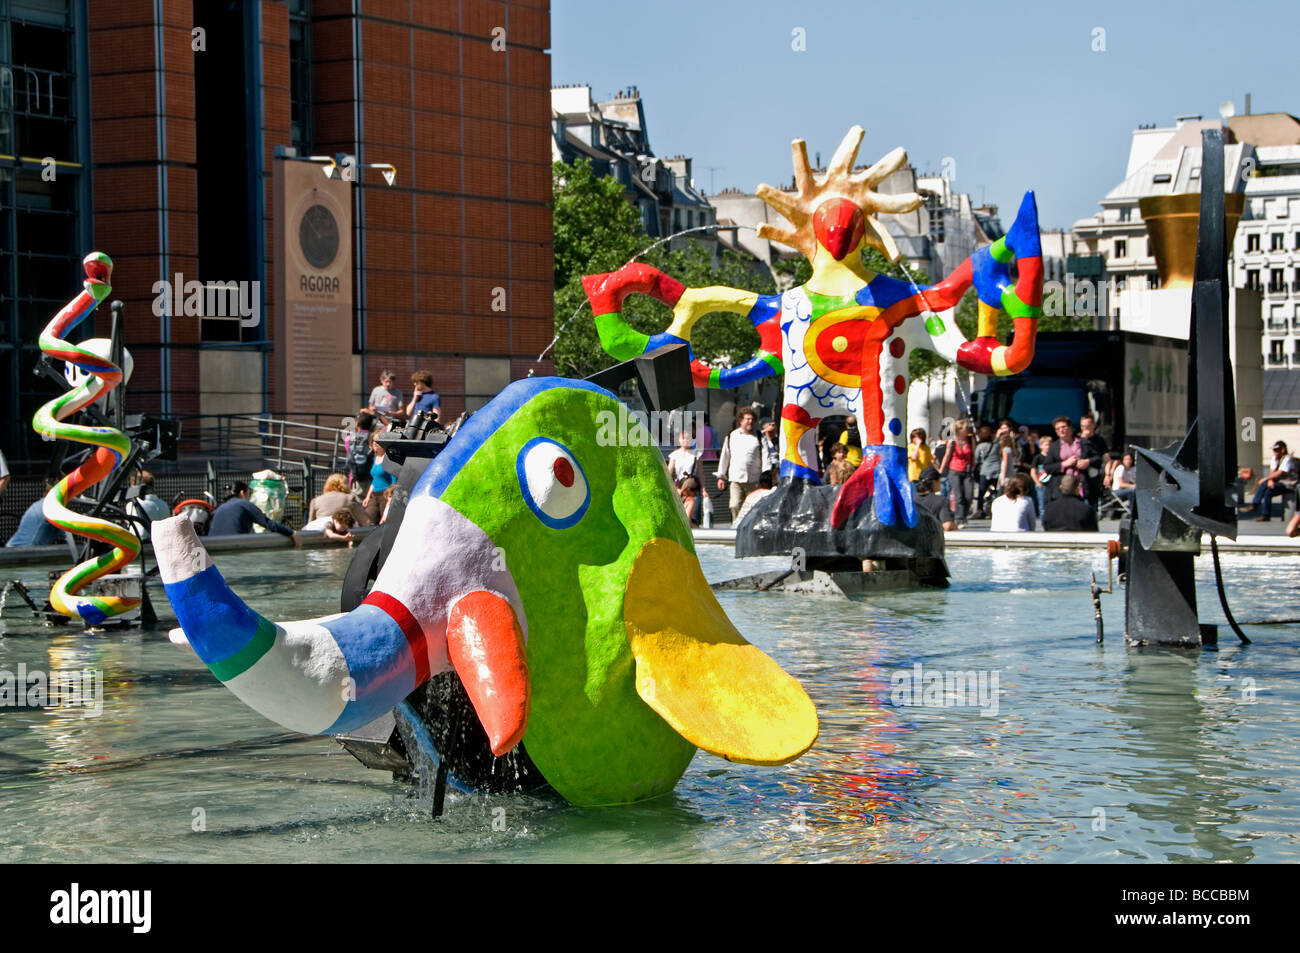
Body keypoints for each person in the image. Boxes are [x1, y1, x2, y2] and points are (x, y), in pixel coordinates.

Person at [209, 480, 301, 544]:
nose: (250, 498)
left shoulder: (219, 508)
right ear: (242, 493)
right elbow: (268, 523)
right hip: (234, 546)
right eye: (249, 494)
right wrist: (291, 533)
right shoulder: (244, 504)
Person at [716, 408, 764, 523]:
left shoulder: (759, 436)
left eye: (752, 419)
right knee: (734, 504)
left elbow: (766, 455)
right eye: (747, 419)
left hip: (754, 479)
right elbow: (725, 456)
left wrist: (766, 474)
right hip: (736, 478)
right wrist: (721, 476)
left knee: (753, 507)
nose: (750, 421)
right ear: (741, 420)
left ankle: (749, 528)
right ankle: (736, 527)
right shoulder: (731, 436)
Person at [1239, 441, 1300, 521]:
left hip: (1290, 485)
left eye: (1276, 450)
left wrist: (1266, 479)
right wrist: (1270, 480)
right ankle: (1265, 515)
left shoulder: (1288, 459)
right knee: (1268, 492)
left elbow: (1279, 473)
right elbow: (1272, 471)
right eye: (1274, 450)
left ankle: (1254, 504)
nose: (1274, 452)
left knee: (1264, 483)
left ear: (1283, 450)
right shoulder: (1275, 458)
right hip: (1280, 483)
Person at [938, 419, 974, 527]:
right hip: (955, 470)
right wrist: (941, 469)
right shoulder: (952, 441)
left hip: (967, 470)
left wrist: (973, 465)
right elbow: (947, 455)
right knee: (959, 495)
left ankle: (964, 514)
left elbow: (973, 454)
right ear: (959, 430)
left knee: (969, 495)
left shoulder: (970, 440)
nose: (968, 430)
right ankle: (959, 519)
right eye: (966, 428)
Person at [1042, 415, 1086, 503]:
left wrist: (1087, 462)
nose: (1061, 430)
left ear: (1070, 428)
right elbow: (1047, 467)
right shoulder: (1054, 447)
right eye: (1057, 429)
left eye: (1063, 427)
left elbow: (1096, 457)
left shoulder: (1083, 442)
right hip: (1061, 487)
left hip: (1082, 485)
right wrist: (1064, 464)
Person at [4, 481, 62, 547]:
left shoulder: (36, 505)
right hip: (28, 552)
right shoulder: (54, 508)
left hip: (11, 548)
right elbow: (69, 536)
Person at [1078, 413, 1109, 514]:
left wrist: (1108, 475)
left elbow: (1106, 458)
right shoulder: (1077, 440)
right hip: (1080, 476)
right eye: (1083, 426)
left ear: (1093, 425)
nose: (1085, 428)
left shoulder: (1099, 440)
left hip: (1094, 476)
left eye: (1087, 425)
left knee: (1093, 504)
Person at [666, 431, 700, 522]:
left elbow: (701, 473)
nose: (686, 440)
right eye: (683, 438)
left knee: (692, 517)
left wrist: (704, 489)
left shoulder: (696, 454)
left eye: (688, 438)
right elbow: (669, 472)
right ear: (679, 440)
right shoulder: (674, 455)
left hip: (692, 487)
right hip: (679, 487)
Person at [362, 434, 396, 524]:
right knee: (368, 520)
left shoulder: (389, 459)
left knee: (384, 522)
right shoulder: (374, 458)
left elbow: (394, 480)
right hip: (374, 495)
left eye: (378, 441)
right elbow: (374, 479)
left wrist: (390, 497)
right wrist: (368, 497)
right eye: (373, 441)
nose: (375, 443)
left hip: (385, 495)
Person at [914, 466, 956, 532]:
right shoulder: (941, 501)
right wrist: (954, 526)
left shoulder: (912, 500)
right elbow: (947, 525)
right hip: (931, 539)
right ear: (934, 482)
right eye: (939, 481)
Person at [346, 411, 377, 489]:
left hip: (354, 477)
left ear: (357, 424)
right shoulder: (373, 437)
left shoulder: (349, 439)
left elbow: (349, 453)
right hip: (371, 477)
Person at [1030, 434, 1053, 516]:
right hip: (1041, 485)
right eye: (1046, 445)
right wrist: (1037, 483)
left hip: (1052, 484)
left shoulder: (1053, 457)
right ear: (1041, 446)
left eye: (1050, 445)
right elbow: (1033, 471)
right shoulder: (1038, 458)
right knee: (1042, 505)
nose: (1048, 447)